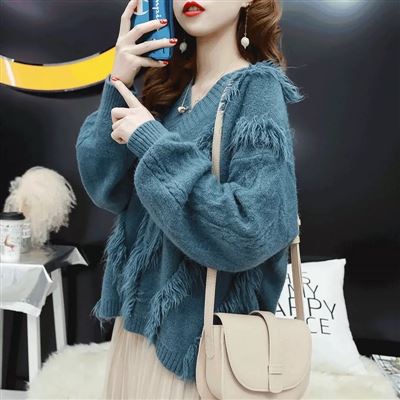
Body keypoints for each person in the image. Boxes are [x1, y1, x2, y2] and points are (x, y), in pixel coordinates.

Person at [76, 0, 305, 398]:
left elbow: (251, 229)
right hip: (135, 336)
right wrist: (118, 81)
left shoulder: (256, 89)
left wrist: (153, 144)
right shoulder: (167, 93)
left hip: (201, 351)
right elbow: (105, 187)